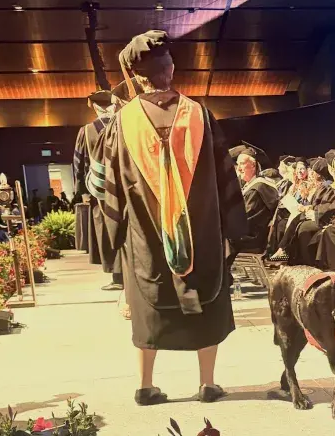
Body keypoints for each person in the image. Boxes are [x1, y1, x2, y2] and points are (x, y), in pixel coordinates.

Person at [87, 30, 248, 405]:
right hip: (202, 238)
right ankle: (208, 384)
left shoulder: (120, 123)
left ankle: (145, 386)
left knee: (149, 309)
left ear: (136, 77)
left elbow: (102, 188)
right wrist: (235, 230)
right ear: (170, 69)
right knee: (206, 305)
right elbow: (227, 181)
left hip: (145, 240)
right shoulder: (200, 116)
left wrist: (113, 237)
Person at [73, 89, 123, 291]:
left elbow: (79, 162)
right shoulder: (123, 126)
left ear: (94, 107)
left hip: (100, 191)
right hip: (124, 190)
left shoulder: (86, 130)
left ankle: (117, 277)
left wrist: (82, 191)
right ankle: (127, 274)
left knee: (105, 230)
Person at [234, 143, 280, 254]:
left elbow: (247, 218)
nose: (239, 168)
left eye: (242, 164)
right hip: (248, 232)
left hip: (252, 237)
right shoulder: (251, 185)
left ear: (253, 166)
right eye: (237, 164)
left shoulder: (258, 188)